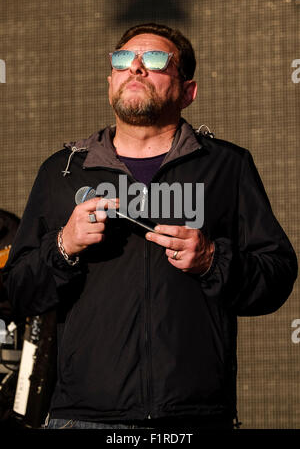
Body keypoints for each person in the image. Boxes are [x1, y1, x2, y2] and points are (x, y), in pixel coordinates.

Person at [3, 23, 298, 430]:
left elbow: (278, 276)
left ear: (188, 91)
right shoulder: (63, 172)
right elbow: (18, 291)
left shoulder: (227, 167)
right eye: (123, 60)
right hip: (83, 418)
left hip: (196, 418)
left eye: (156, 60)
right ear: (111, 82)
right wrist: (63, 247)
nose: (136, 68)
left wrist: (213, 259)